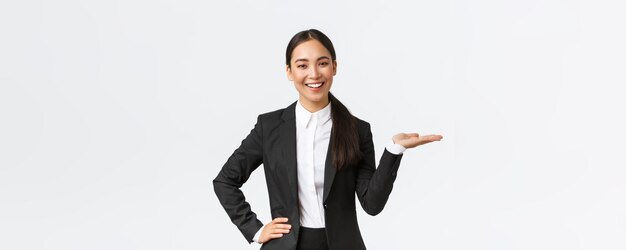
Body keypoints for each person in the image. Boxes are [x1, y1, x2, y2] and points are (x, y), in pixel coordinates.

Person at [213, 29, 443, 250]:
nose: (313, 74)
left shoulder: (357, 130)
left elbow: (372, 204)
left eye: (322, 63)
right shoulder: (269, 127)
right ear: (289, 72)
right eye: (302, 65)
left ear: (334, 67)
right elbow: (225, 181)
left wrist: (395, 150)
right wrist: (254, 230)